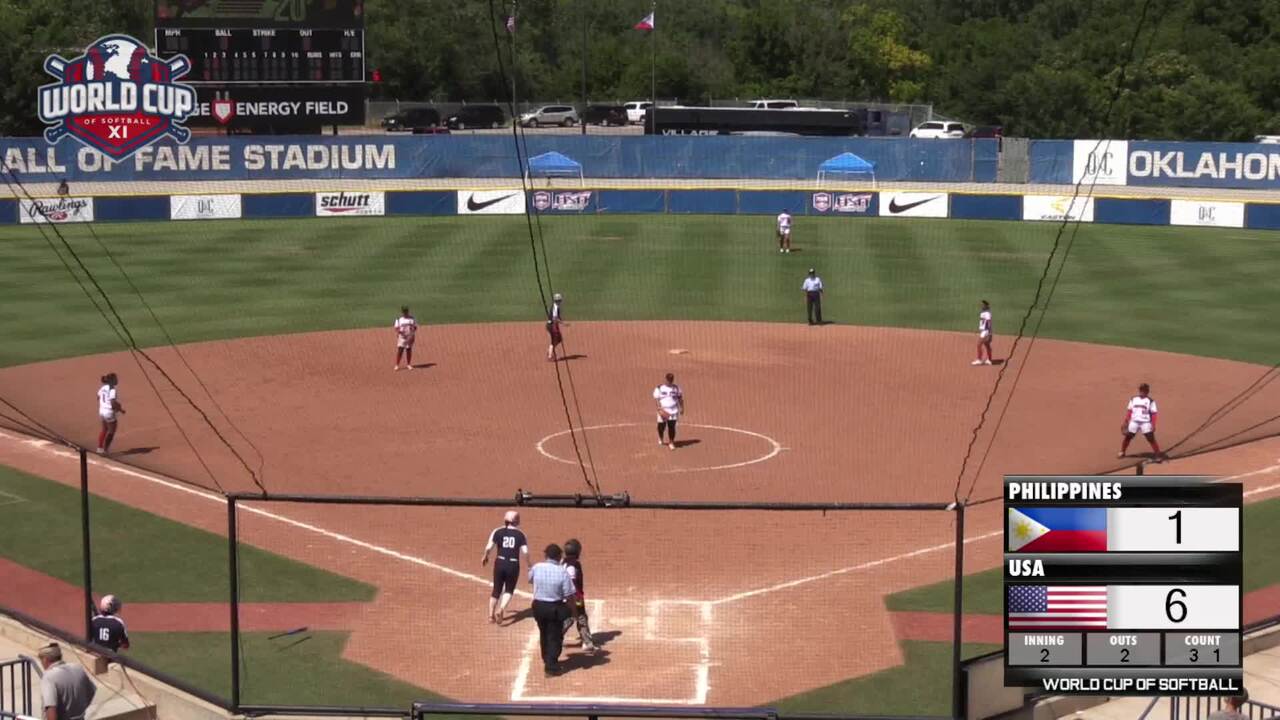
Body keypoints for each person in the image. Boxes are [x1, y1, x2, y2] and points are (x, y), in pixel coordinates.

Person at [528, 543, 575, 676]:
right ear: (559, 557)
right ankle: (551, 666)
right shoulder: (562, 572)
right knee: (554, 636)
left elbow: (530, 579)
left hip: (538, 607)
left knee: (544, 632)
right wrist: (573, 612)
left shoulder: (537, 567)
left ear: (546, 555)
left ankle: (546, 658)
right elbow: (568, 595)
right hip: (555, 608)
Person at [481, 510, 529, 624]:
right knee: (509, 589)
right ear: (516, 521)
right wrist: (529, 564)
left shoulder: (497, 531)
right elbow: (525, 552)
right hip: (513, 564)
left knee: (496, 590)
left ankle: (490, 616)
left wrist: (485, 556)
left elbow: (489, 547)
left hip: (499, 563)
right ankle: (501, 609)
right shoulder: (521, 534)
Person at [38, 643, 95, 720]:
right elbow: (91, 692)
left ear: (45, 659)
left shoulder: (49, 677)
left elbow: (51, 709)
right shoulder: (78, 668)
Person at [560, 538, 597, 653]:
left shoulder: (562, 562)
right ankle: (587, 643)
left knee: (571, 618)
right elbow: (572, 582)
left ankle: (555, 637)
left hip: (564, 597)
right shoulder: (573, 565)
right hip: (574, 597)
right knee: (579, 617)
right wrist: (576, 598)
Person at [1119, 383, 1164, 460]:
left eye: (1143, 390)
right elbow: (1129, 411)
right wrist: (1126, 420)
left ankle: (1158, 455)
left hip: (1145, 422)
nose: (1141, 391)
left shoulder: (1150, 401)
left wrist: (1153, 425)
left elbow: (1154, 414)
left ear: (1147, 391)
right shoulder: (1133, 399)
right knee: (1128, 437)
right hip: (1134, 421)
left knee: (1150, 438)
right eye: (1140, 390)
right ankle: (1122, 452)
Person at [653, 373, 684, 450]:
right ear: (665, 379)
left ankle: (671, 442)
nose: (670, 381)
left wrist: (682, 408)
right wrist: (659, 409)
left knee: (672, 427)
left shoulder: (676, 388)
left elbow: (680, 399)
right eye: (668, 380)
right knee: (661, 426)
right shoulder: (659, 388)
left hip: (673, 410)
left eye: (671, 380)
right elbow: (657, 399)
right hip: (663, 410)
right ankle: (661, 437)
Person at [96, 373, 123, 455]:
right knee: (111, 431)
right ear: (112, 380)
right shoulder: (112, 390)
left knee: (104, 429)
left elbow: (98, 397)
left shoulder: (103, 387)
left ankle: (100, 448)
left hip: (102, 411)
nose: (117, 380)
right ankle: (105, 450)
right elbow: (112, 403)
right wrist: (118, 407)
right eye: (115, 379)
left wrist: (104, 404)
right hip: (109, 412)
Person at [393, 306, 418, 371]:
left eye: (406, 311)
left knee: (408, 350)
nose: (405, 312)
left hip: (409, 336)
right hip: (402, 337)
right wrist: (400, 332)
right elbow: (396, 328)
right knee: (400, 350)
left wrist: (412, 334)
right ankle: (397, 365)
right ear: (402, 312)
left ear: (408, 311)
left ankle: (408, 364)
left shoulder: (412, 318)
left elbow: (415, 327)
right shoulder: (398, 319)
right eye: (404, 311)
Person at [971, 300, 994, 365]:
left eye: (983, 305)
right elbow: (983, 323)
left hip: (986, 331)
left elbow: (989, 323)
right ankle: (989, 360)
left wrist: (989, 333)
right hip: (983, 331)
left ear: (986, 306)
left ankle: (979, 360)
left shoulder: (987, 313)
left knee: (979, 344)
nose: (981, 306)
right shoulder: (983, 313)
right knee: (987, 345)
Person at [546, 293, 567, 361]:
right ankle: (550, 355)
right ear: (557, 300)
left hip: (552, 325)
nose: (560, 301)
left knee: (559, 339)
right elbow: (555, 318)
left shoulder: (556, 306)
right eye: (560, 300)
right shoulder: (555, 307)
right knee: (555, 340)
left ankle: (550, 350)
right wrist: (563, 323)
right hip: (552, 326)